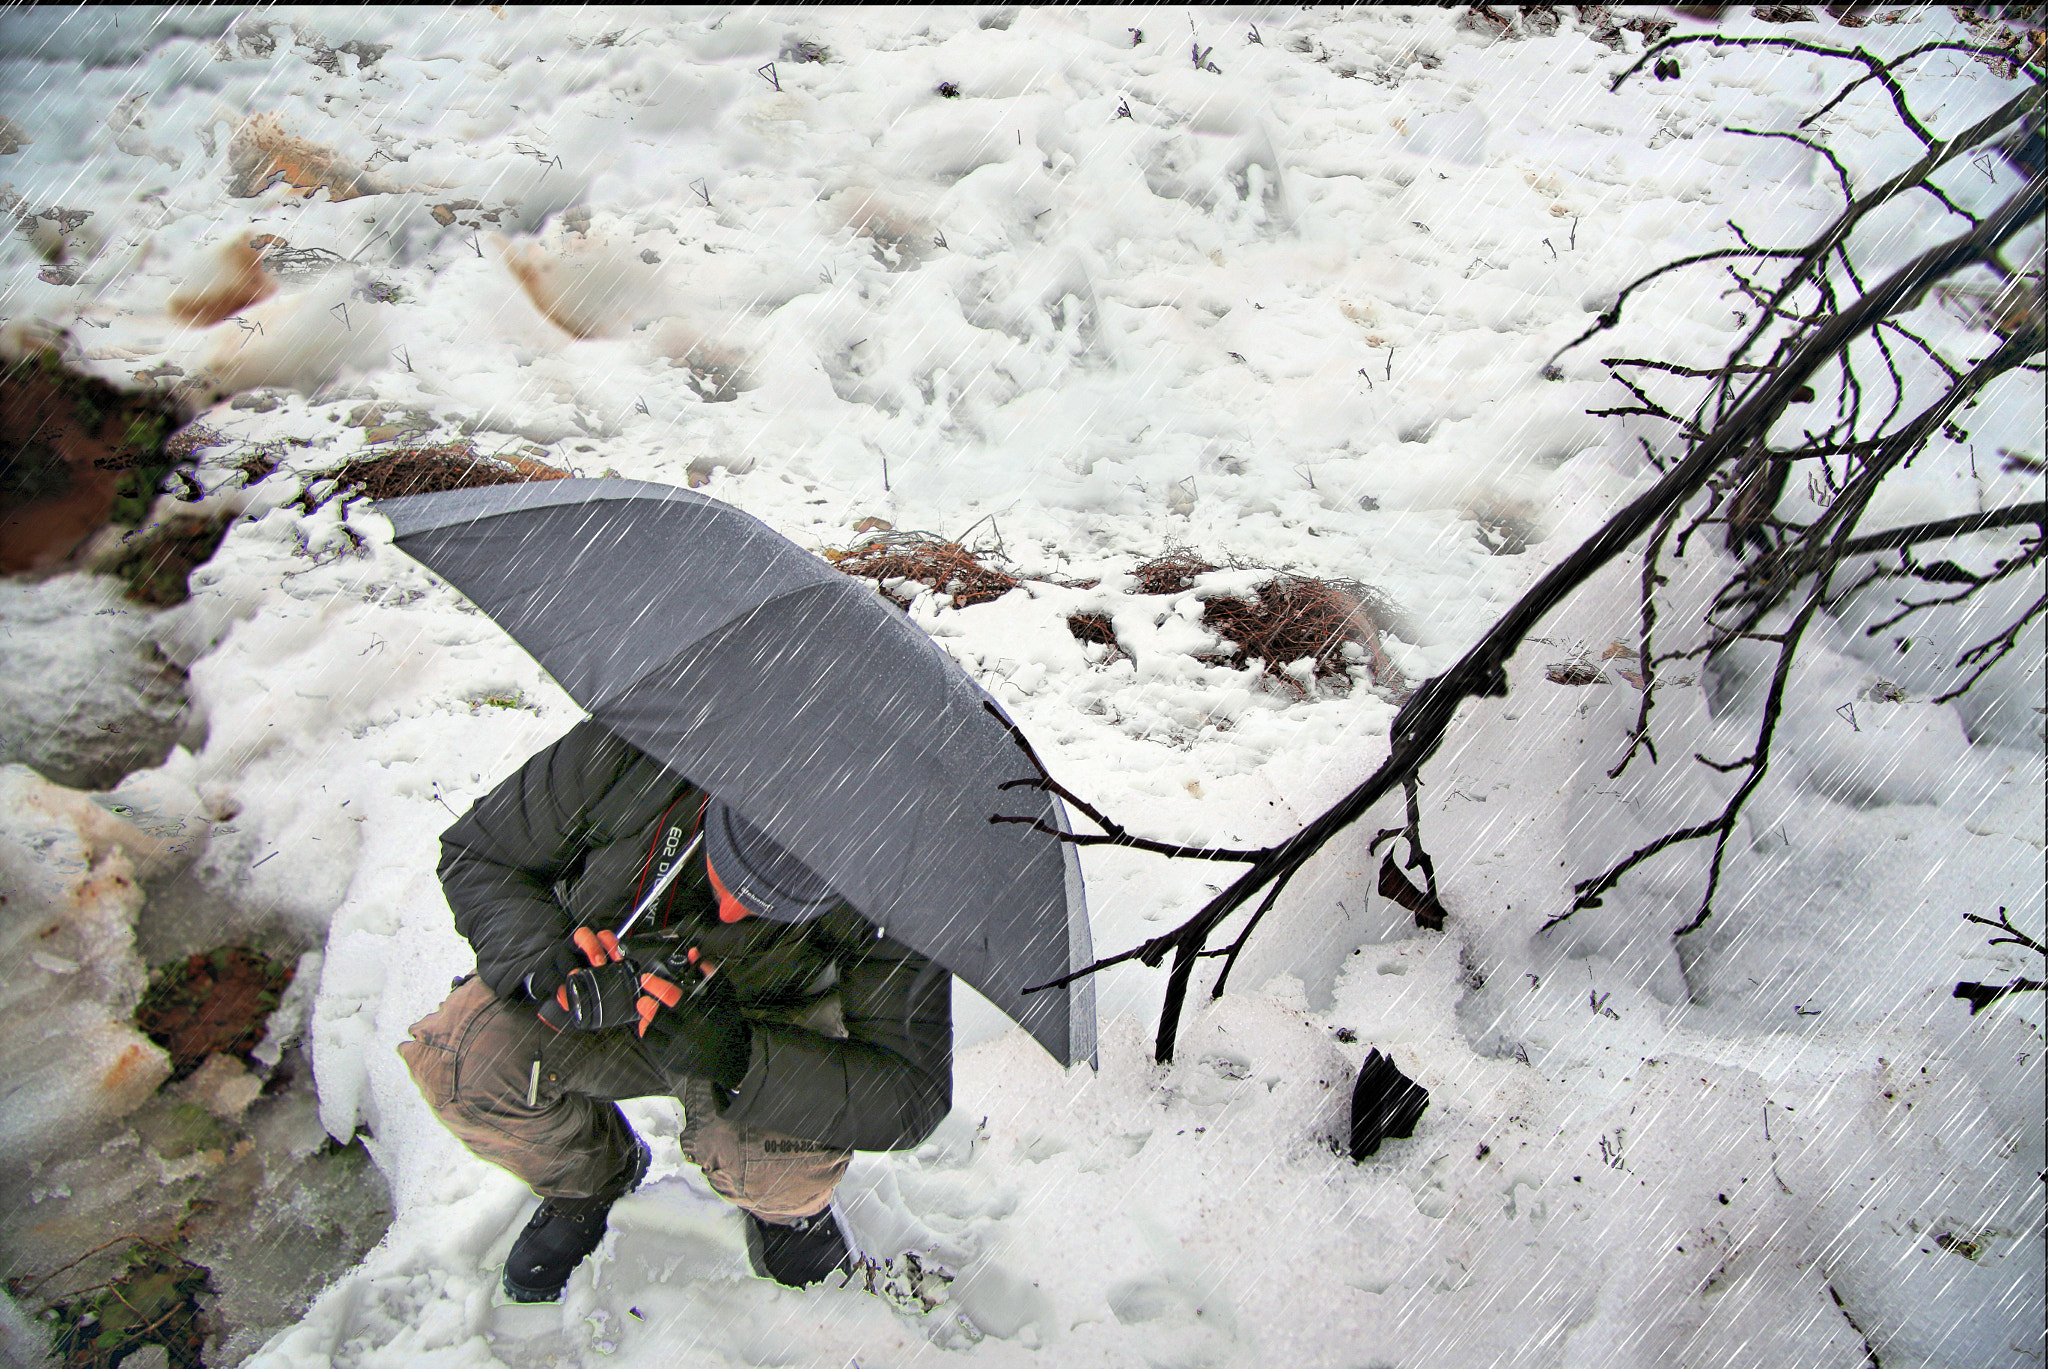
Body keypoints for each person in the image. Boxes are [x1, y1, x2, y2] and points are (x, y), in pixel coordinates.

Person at [398, 718, 953, 1301]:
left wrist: (743, 1057)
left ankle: (786, 1211)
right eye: (732, 874)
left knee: (779, 1160)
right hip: (606, 993)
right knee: (464, 1061)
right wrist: (541, 958)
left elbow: (910, 1093)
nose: (735, 912)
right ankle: (589, 1178)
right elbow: (480, 852)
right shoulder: (646, 734)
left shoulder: (895, 868)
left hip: (767, 1026)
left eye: (780, 903)